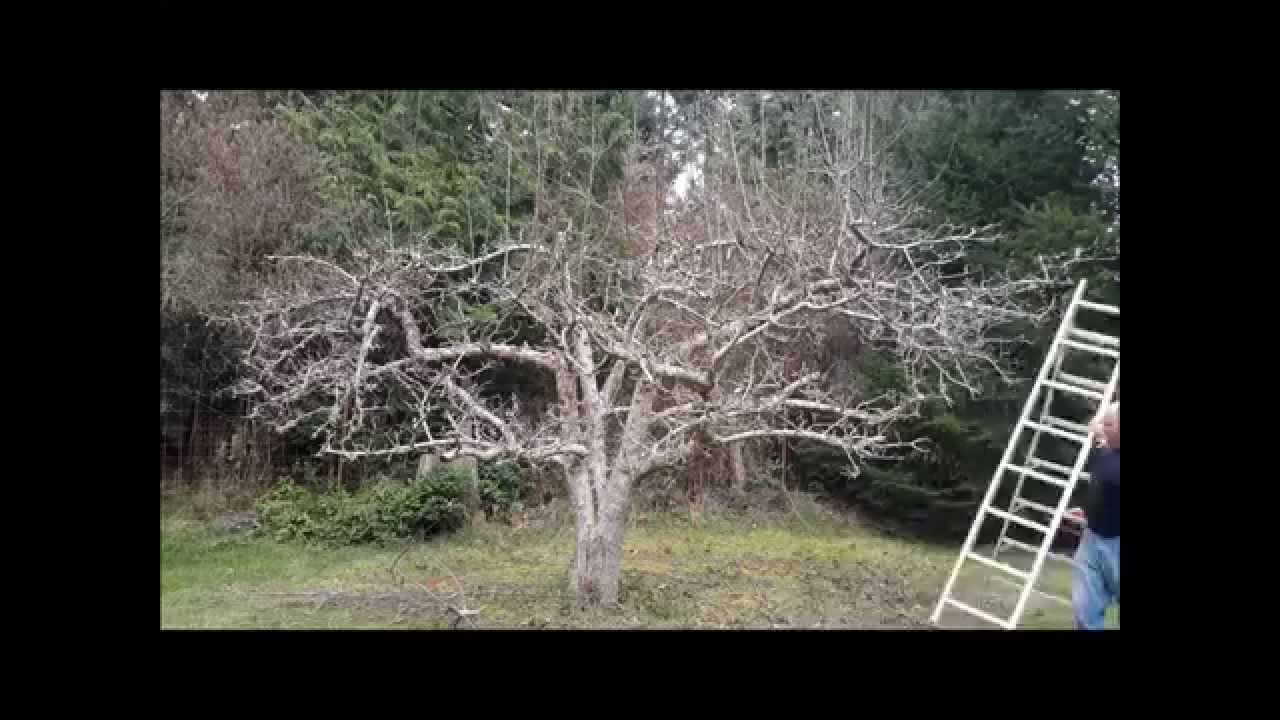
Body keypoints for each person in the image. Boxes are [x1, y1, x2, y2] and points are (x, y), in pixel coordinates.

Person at [1072, 401, 1120, 630]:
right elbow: (1093, 426)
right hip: (1092, 539)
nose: (1103, 427)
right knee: (1085, 611)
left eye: (1109, 424)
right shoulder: (1103, 447)